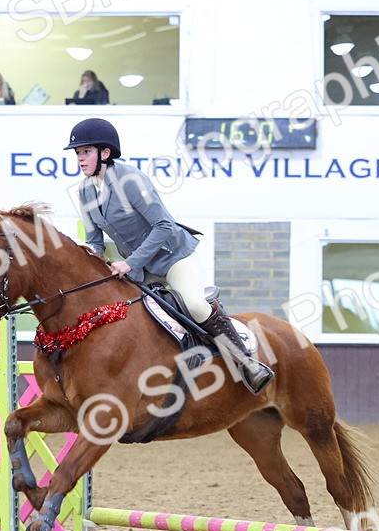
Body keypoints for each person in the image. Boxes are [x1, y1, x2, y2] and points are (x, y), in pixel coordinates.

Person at [65, 117, 273, 393]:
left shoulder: (129, 180)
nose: (80, 159)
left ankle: (247, 362)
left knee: (195, 306)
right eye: (78, 153)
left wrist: (129, 262)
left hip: (173, 256)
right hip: (140, 271)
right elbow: (94, 241)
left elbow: (164, 225)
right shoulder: (84, 190)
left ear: (105, 153)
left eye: (86, 152)